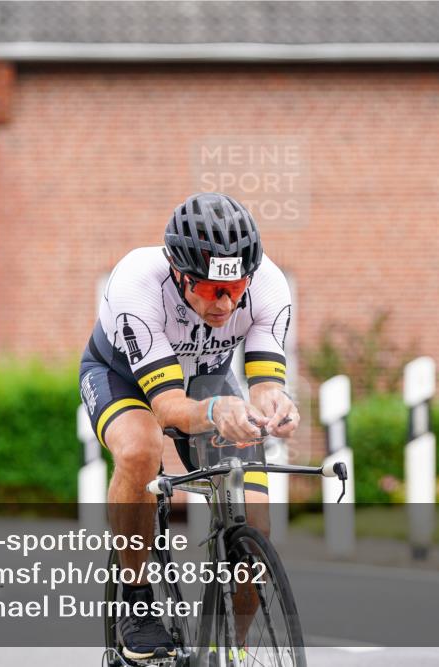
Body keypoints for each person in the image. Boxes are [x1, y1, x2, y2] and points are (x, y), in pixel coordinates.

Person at [79, 192, 299, 660]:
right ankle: (136, 602)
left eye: (235, 290)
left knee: (256, 525)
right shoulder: (138, 282)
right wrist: (219, 411)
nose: (223, 304)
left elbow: (262, 386)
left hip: (209, 382)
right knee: (141, 449)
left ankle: (228, 649)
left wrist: (274, 407)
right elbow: (167, 408)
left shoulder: (270, 285)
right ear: (179, 273)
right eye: (207, 289)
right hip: (123, 379)